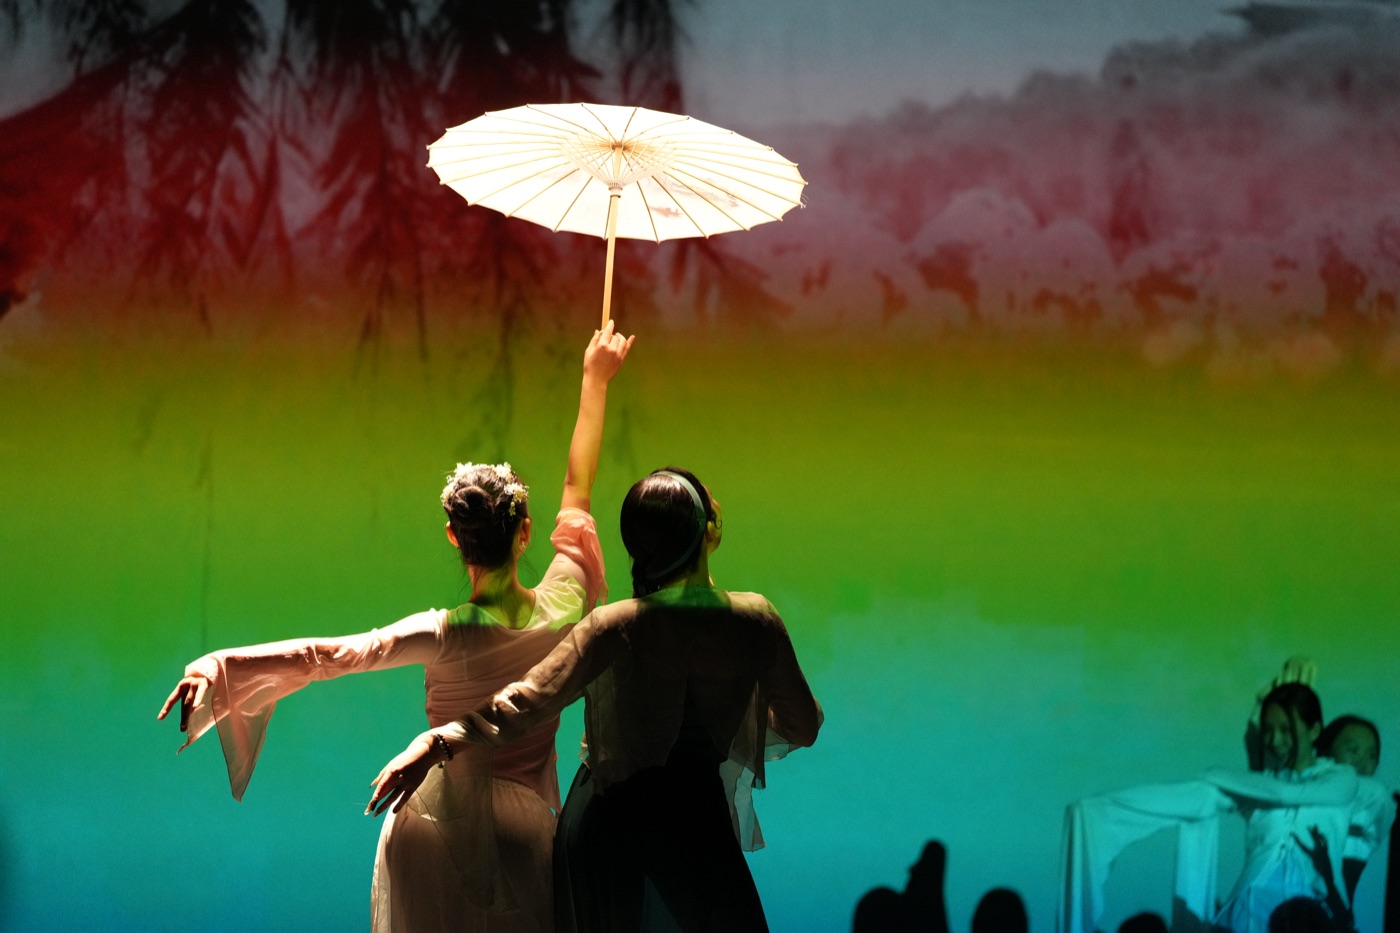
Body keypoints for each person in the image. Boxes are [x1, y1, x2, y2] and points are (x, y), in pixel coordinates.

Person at [157, 322, 634, 933]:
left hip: (434, 826)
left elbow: (323, 655)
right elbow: (578, 486)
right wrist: (595, 378)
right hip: (524, 828)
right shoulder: (566, 599)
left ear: (453, 537)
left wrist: (218, 665)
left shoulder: (441, 633)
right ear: (524, 533)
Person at [368, 467, 823, 933]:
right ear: (708, 529)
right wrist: (729, 706)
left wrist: (438, 741)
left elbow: (526, 702)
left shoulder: (616, 626)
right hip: (691, 810)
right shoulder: (754, 619)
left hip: (612, 817)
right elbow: (803, 725)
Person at [1061, 683, 1362, 933]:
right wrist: (1103, 809)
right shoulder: (1256, 787)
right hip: (1250, 913)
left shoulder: (1340, 779)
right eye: (1268, 731)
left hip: (1315, 916)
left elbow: (1286, 794)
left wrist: (1217, 774)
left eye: (1286, 729)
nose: (1275, 740)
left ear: (1314, 730)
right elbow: (1193, 798)